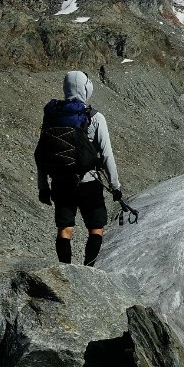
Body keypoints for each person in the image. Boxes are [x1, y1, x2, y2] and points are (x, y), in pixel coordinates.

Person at [35, 70, 123, 266]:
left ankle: (65, 271)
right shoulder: (95, 117)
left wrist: (43, 187)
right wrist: (115, 186)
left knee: (65, 230)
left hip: (60, 182)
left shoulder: (51, 116)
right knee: (96, 228)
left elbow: (42, 153)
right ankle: (87, 270)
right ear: (85, 88)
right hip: (88, 183)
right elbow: (107, 155)